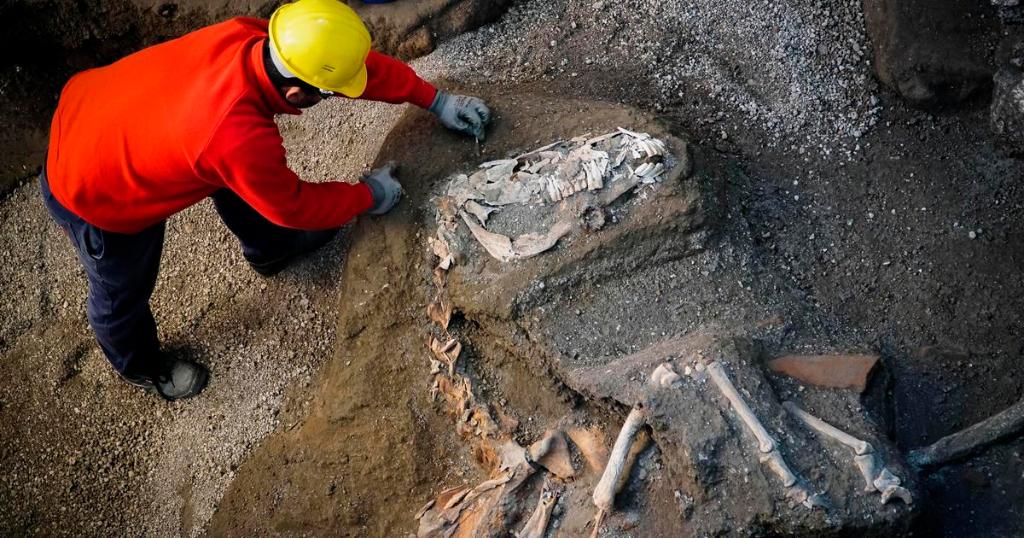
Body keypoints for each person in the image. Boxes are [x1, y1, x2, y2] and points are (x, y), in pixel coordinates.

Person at [40, 0, 491, 401]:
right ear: (297, 95)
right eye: (330, 95)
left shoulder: (255, 36)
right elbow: (291, 205)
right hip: (90, 187)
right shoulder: (236, 138)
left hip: (102, 107)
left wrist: (433, 99)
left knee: (231, 174)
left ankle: (271, 250)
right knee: (120, 291)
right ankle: (140, 365)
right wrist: (367, 195)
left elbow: (353, 66)